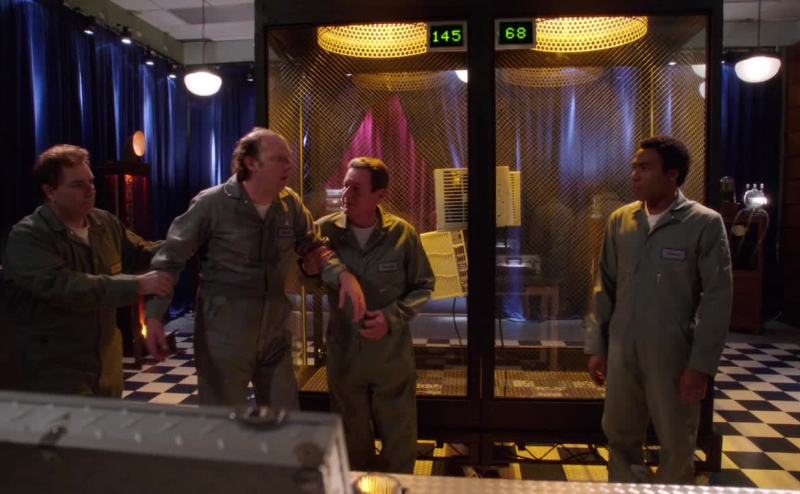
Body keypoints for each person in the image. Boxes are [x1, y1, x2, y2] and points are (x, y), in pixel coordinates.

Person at [144, 128, 365, 409]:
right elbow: (169, 260)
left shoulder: (289, 204)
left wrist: (342, 275)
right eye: (278, 159)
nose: (288, 165)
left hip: (275, 331)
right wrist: (155, 316)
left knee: (284, 418)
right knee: (222, 419)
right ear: (251, 162)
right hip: (223, 334)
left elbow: (313, 247)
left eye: (288, 159)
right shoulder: (212, 204)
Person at [585, 136, 732, 484]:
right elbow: (603, 286)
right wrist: (597, 347)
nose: (635, 175)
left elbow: (717, 299)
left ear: (672, 174)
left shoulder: (703, 223)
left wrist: (701, 366)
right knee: (620, 437)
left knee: (677, 441)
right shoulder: (622, 221)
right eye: (634, 167)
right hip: (623, 350)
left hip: (672, 352)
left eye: (645, 167)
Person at [3, 144, 170, 397]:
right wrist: (136, 285)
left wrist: (185, 242)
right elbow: (65, 287)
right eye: (77, 184)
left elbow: (141, 253)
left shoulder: (103, 223)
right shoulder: (29, 236)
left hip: (106, 366)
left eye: (91, 182)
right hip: (55, 371)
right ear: (50, 191)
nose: (90, 190)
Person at [314, 157, 434, 473]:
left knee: (399, 438)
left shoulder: (402, 235)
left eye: (356, 188)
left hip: (390, 355)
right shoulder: (325, 232)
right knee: (350, 438)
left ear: (379, 195)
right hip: (345, 353)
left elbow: (423, 286)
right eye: (345, 185)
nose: (346, 194)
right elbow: (306, 275)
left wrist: (391, 318)